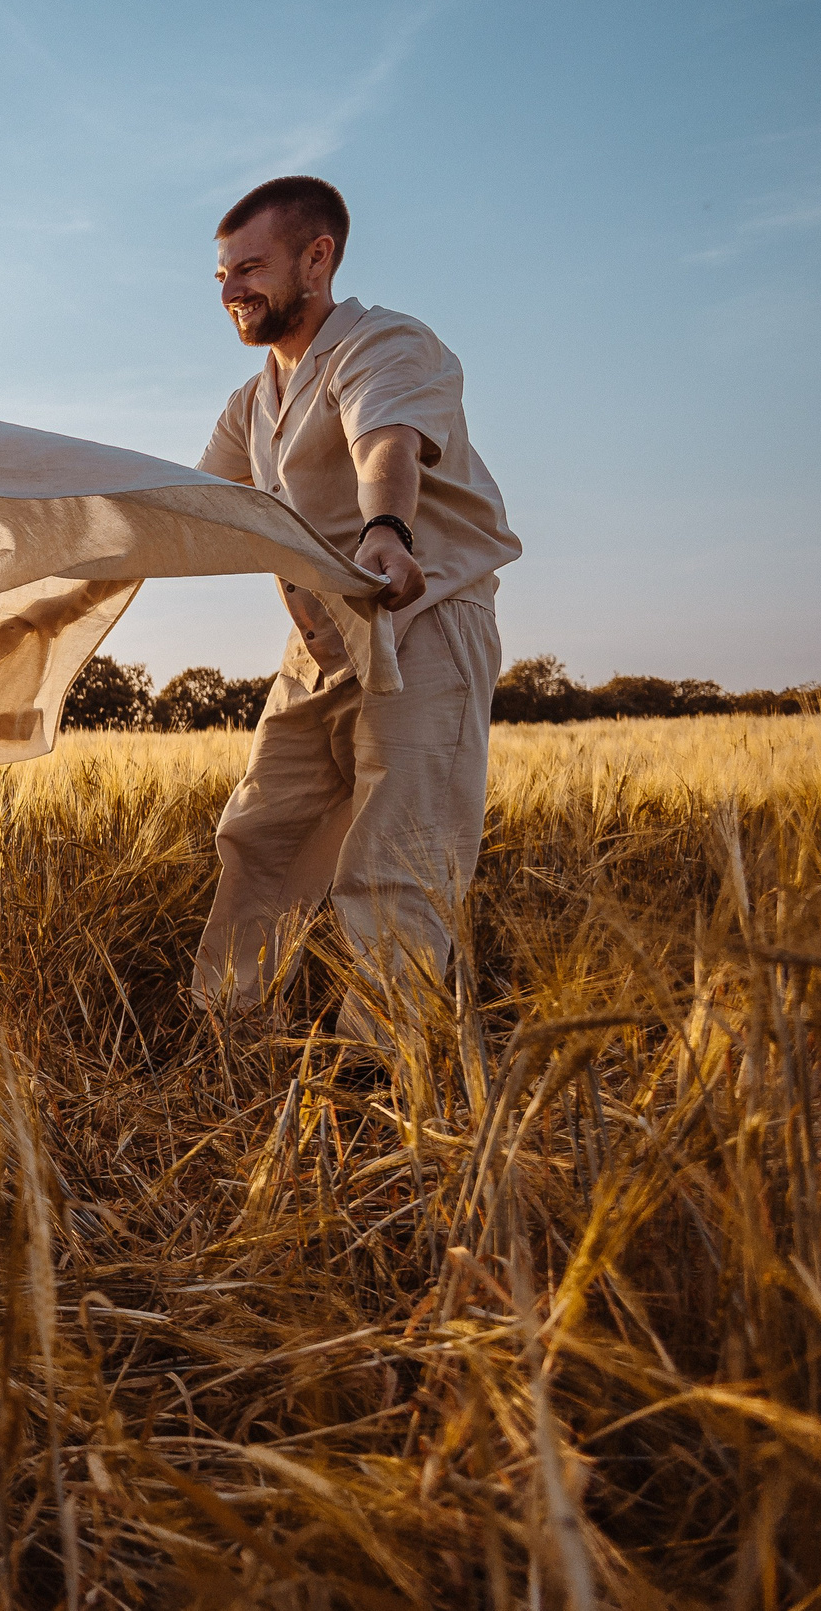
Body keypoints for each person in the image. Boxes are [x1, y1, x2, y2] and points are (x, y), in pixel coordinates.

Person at [188, 176, 521, 1032]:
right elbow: (192, 509)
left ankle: (378, 1066)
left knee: (398, 855)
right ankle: (230, 1026)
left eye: (250, 268)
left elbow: (385, 444)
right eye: (222, 275)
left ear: (318, 258)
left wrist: (386, 529)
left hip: (422, 616)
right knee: (262, 831)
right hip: (318, 644)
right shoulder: (251, 403)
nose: (229, 292)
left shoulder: (385, 344)